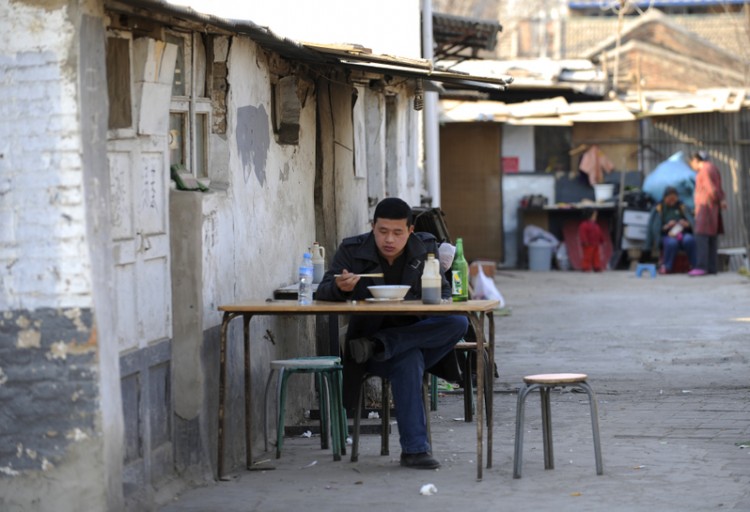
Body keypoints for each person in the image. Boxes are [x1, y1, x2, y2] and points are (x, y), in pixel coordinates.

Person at [315, 198, 468, 470]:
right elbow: (324, 290)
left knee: (458, 322)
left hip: (400, 339)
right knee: (408, 359)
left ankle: (381, 344)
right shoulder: (353, 250)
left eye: (397, 233)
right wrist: (341, 288)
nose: (389, 239)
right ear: (372, 227)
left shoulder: (424, 249)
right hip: (367, 352)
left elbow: (444, 295)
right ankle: (415, 452)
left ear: (410, 231)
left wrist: (433, 299)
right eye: (383, 231)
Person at [688, 151, 726, 276]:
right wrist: (721, 200)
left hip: (705, 207)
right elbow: (718, 188)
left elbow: (711, 189)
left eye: (691, 162)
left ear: (696, 160)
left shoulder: (704, 170)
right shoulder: (714, 168)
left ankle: (701, 266)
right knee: (711, 237)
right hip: (712, 208)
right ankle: (712, 267)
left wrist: (719, 199)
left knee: (701, 236)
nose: (691, 165)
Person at [644, 186, 696, 274]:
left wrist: (686, 224)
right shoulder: (659, 208)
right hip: (666, 235)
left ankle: (694, 265)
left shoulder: (682, 207)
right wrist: (667, 226)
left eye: (674, 199)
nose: (672, 201)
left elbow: (691, 222)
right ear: (664, 198)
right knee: (672, 243)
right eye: (669, 199)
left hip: (682, 233)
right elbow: (655, 228)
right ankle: (667, 266)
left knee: (689, 240)